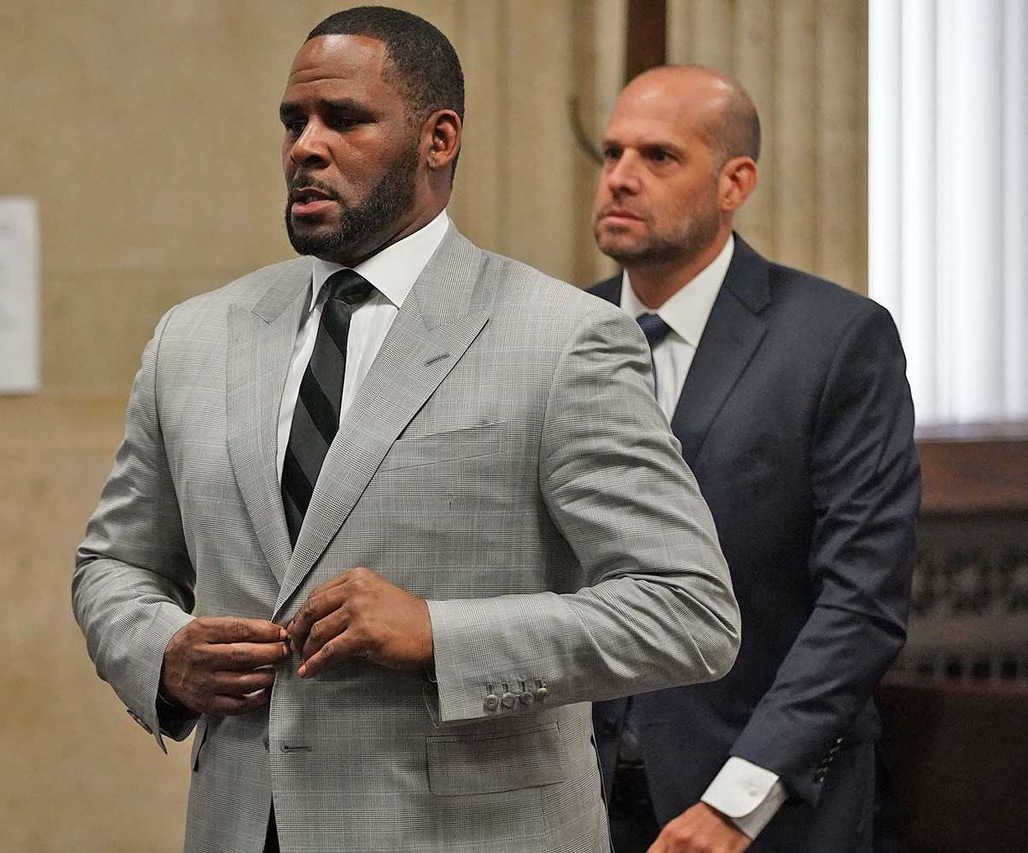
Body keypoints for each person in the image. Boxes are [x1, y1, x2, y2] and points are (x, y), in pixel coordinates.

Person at [74, 8, 741, 852]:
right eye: (293, 121)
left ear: (438, 139)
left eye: (344, 119)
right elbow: (115, 563)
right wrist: (164, 652)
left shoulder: (563, 338)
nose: (305, 147)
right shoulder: (194, 337)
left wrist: (439, 634)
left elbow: (688, 609)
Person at [586, 65, 920, 853]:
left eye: (659, 156)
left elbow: (860, 601)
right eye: (612, 153)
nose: (621, 177)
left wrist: (738, 801)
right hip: (579, 798)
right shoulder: (563, 329)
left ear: (734, 182)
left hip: (763, 804)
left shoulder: (837, 341)